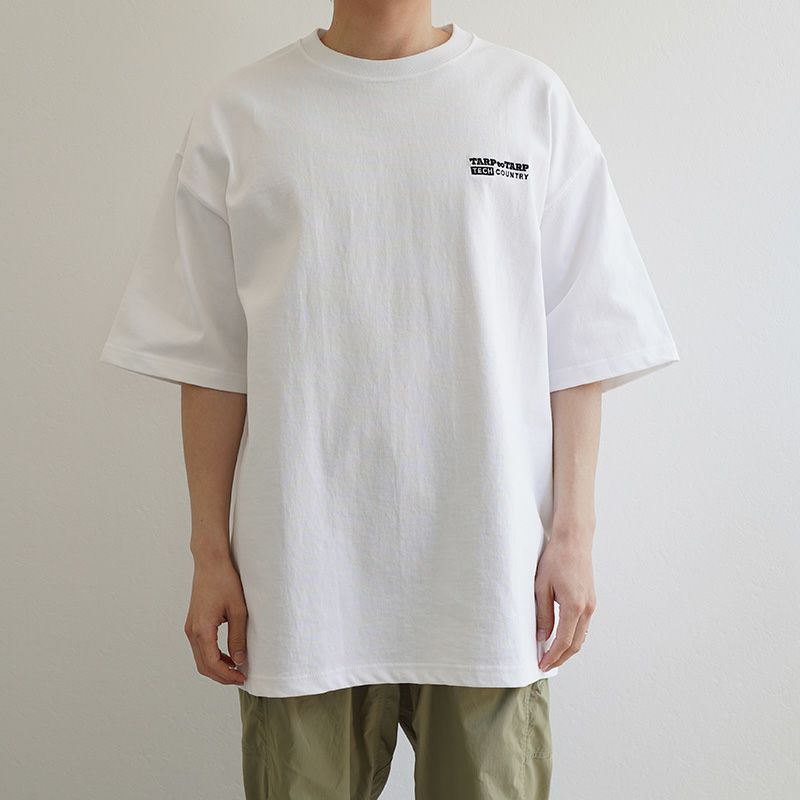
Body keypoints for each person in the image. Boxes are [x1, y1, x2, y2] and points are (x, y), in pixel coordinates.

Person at [99, 2, 679, 797]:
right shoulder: (242, 115)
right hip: (301, 581)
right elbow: (209, 358)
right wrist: (209, 555)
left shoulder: (526, 100)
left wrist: (573, 538)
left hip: (489, 577)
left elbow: (584, 341)